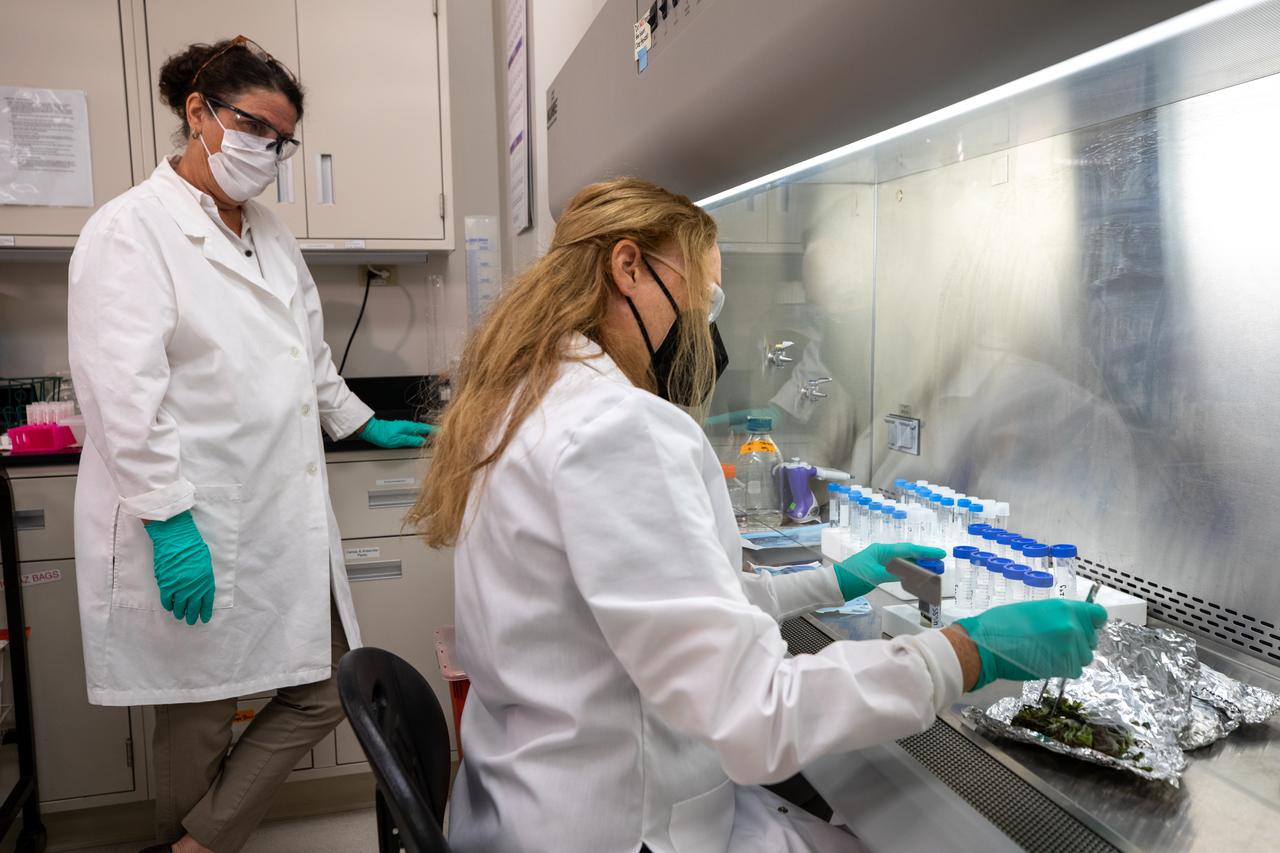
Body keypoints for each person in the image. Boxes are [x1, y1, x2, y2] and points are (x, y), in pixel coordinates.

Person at [411, 178, 1107, 852]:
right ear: (629, 267)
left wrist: (835, 583)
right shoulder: (617, 426)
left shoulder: (528, 402)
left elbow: (673, 609)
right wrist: (966, 654)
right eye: (704, 298)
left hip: (532, 805)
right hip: (624, 827)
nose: (705, 329)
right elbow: (756, 712)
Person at [67, 36, 431, 853]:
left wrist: (357, 419)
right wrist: (167, 521)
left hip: (271, 510)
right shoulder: (128, 230)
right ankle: (188, 837)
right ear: (197, 112)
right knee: (195, 717)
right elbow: (122, 394)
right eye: (254, 127)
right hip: (191, 514)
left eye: (281, 138)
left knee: (327, 683)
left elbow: (304, 351)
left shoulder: (267, 230)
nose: (268, 151)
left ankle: (193, 846)